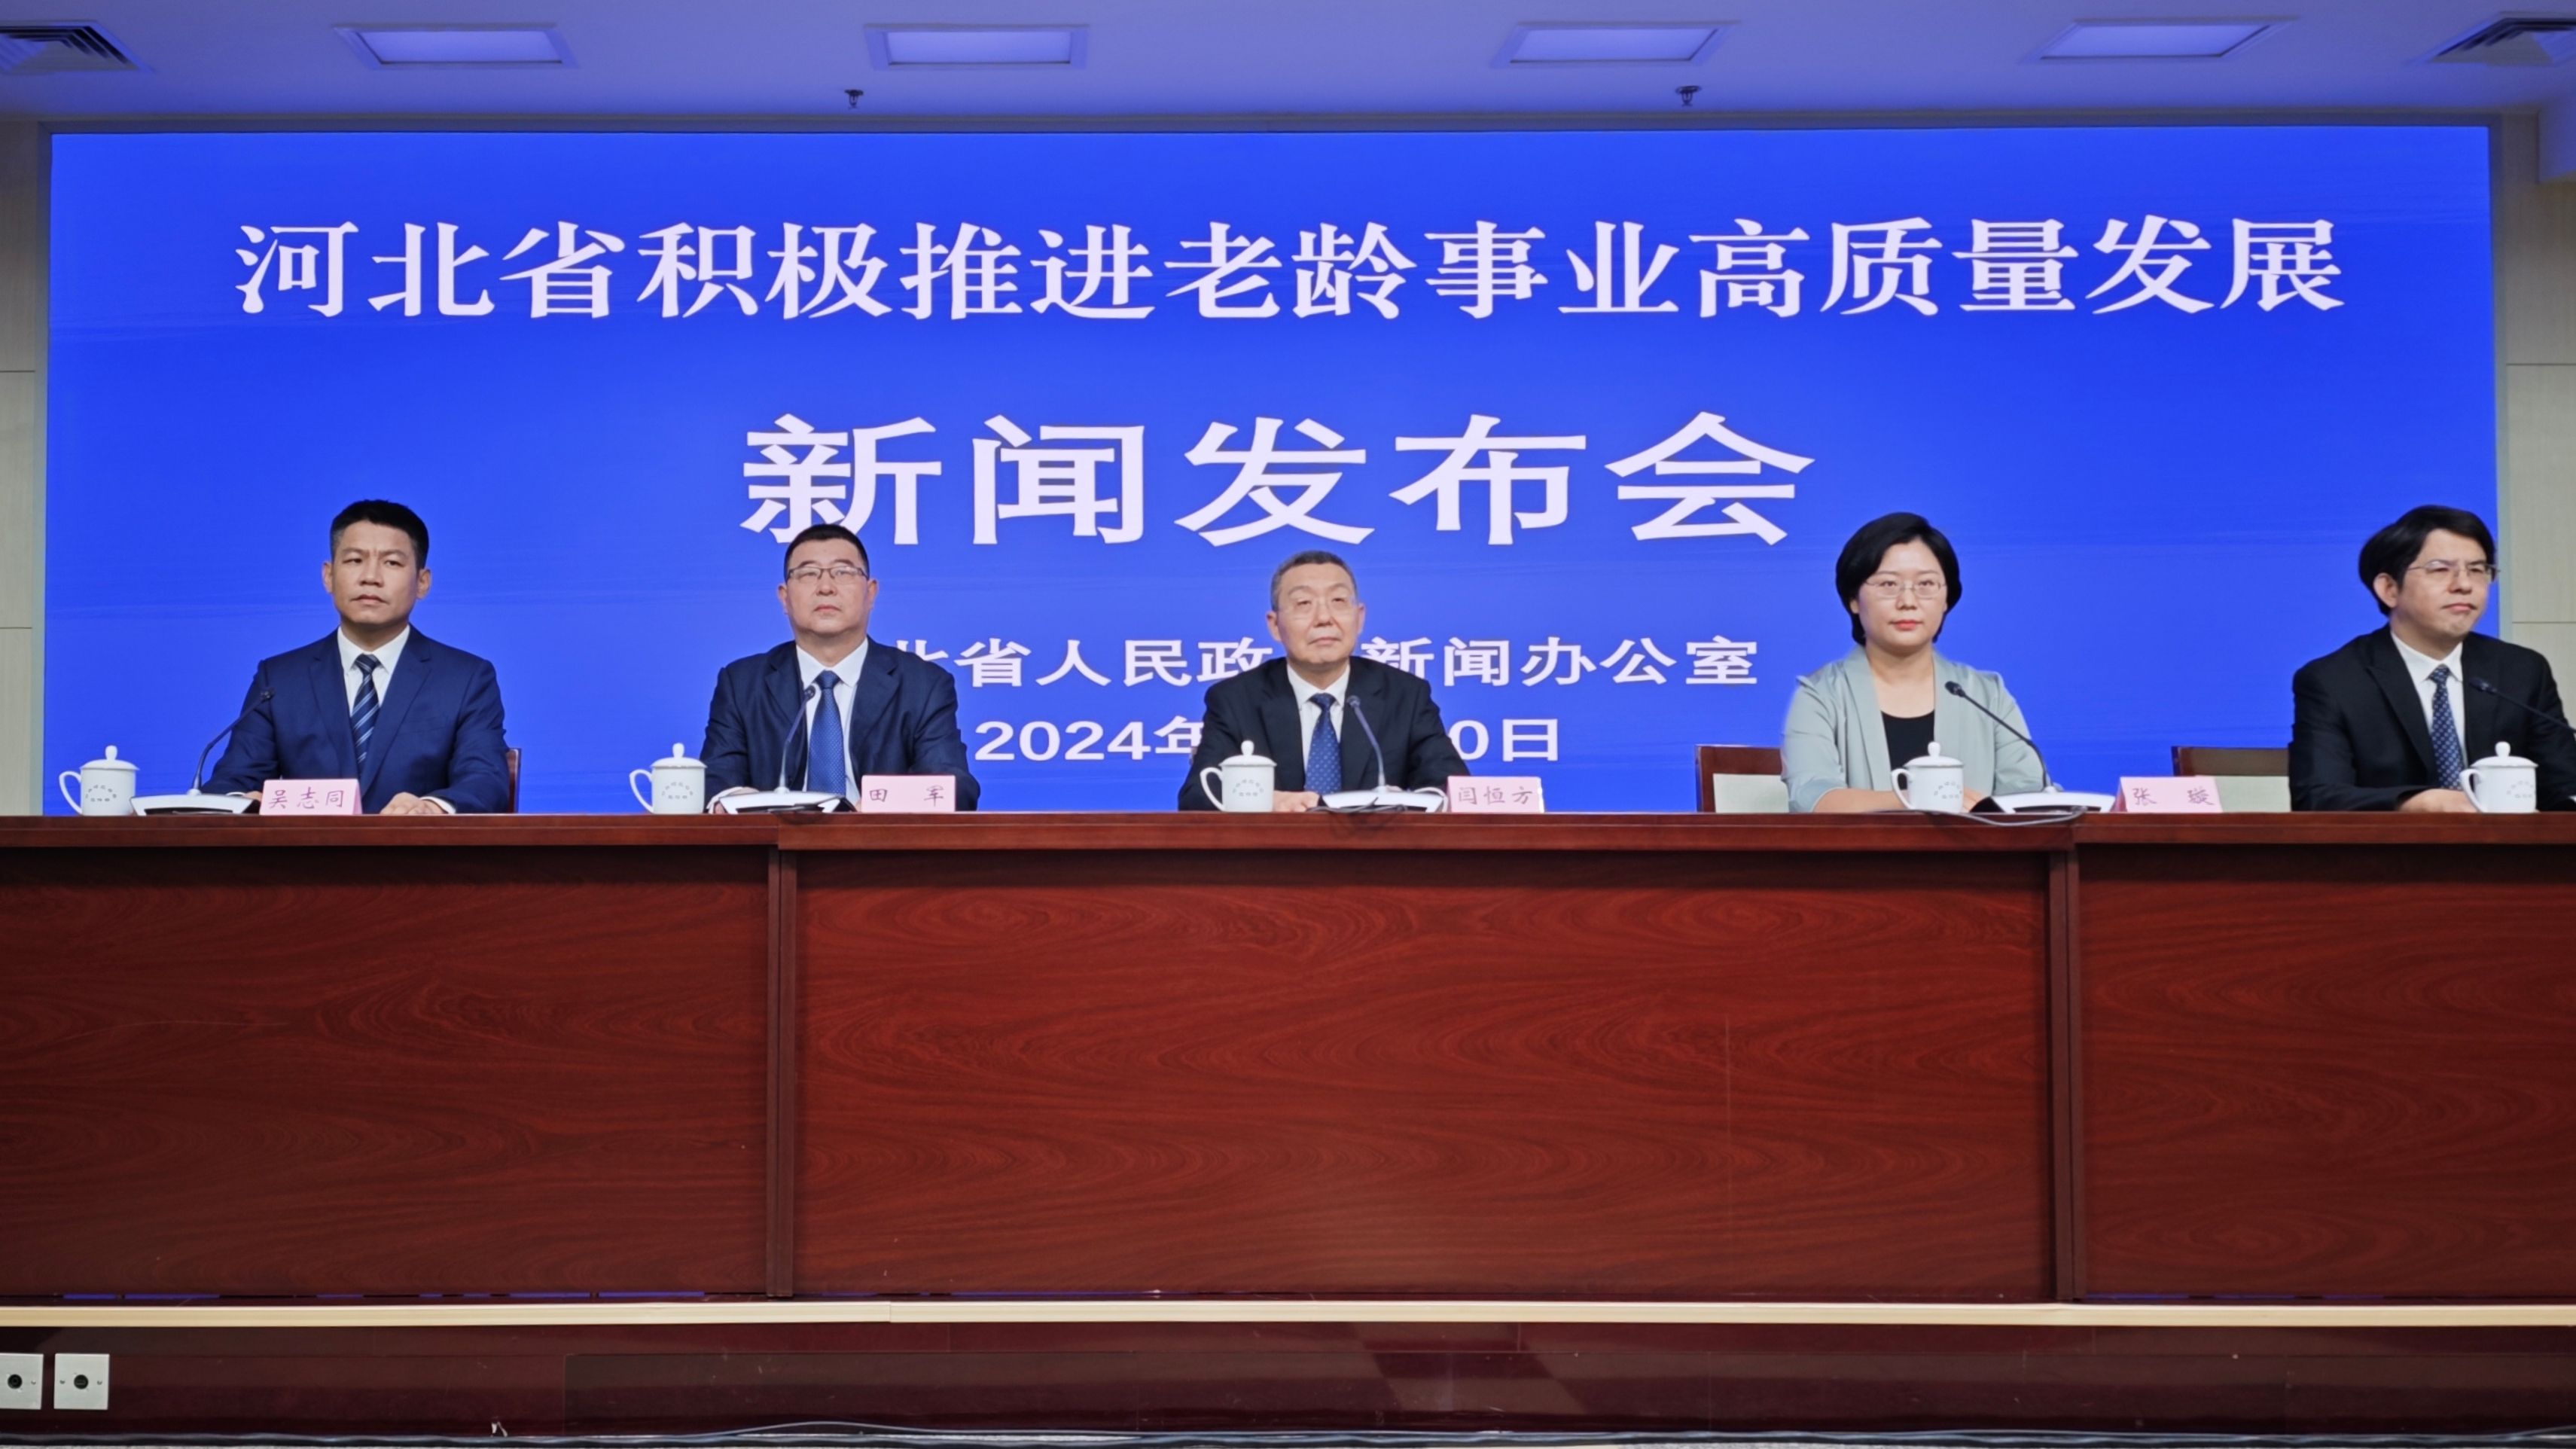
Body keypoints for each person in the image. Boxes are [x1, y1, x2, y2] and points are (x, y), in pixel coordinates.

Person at [206, 499, 510, 814]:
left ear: (422, 582)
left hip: (417, 845)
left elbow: (485, 780)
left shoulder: (465, 679)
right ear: (328, 576)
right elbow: (232, 780)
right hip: (307, 847)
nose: (371, 577)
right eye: (354, 560)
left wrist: (431, 808)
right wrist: (243, 803)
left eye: (391, 563)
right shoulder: (279, 680)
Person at [2291, 505, 2576, 811]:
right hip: (2393, 843)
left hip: (2508, 843)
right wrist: (2418, 803)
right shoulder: (2334, 681)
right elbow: (2318, 798)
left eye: (2477, 570)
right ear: (2389, 589)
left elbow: (2565, 786)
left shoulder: (2521, 670)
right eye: (2440, 570)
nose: (2464, 585)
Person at [1782, 511, 2046, 813]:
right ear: (1854, 598)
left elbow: (2030, 797)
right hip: (1863, 847)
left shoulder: (1986, 695)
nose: (1908, 602)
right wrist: (1917, 800)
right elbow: (1810, 797)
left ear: (1946, 599)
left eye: (1926, 584)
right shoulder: (1821, 695)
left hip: (1976, 846)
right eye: (1888, 584)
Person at [700, 523, 978, 809]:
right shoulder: (743, 684)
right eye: (808, 574)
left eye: (843, 572)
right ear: (784, 597)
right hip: (775, 835)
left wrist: (881, 805)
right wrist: (734, 800)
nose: (826, 588)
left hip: (877, 836)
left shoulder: (923, 685)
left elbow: (954, 785)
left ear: (871, 593)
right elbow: (716, 779)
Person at [1179, 550, 1467, 812]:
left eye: (1338, 601)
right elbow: (1197, 796)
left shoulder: (1405, 695)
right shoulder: (1235, 700)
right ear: (1274, 625)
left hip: (1376, 851)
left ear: (1359, 618)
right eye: (1304, 603)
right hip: (1275, 852)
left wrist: (1406, 803)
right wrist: (1264, 801)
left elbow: (1452, 789)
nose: (1324, 618)